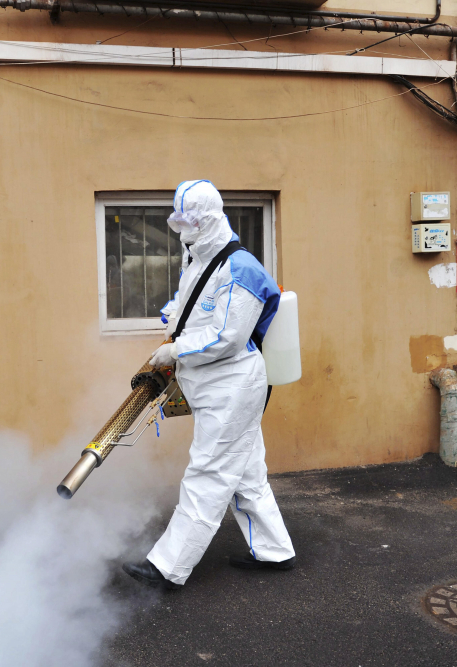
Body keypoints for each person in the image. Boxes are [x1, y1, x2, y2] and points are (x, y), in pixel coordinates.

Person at [122, 180, 296, 590]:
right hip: (210, 384)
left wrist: (175, 350)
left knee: (209, 473)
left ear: (209, 218)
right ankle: (275, 551)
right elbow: (192, 304)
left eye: (189, 222)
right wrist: (173, 317)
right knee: (246, 474)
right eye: (177, 221)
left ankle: (168, 567)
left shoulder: (241, 267)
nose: (181, 230)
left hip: (232, 385)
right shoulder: (200, 258)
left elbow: (227, 337)